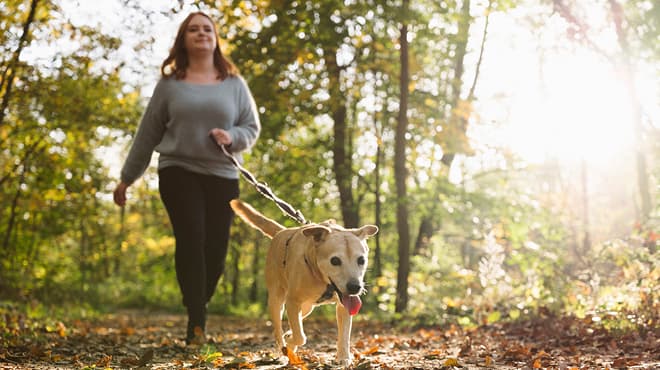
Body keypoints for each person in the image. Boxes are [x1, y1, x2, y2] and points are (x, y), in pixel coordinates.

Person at [113, 11, 260, 345]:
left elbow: (251, 128)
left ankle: (198, 300)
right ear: (183, 39)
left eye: (207, 28)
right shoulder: (170, 84)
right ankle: (197, 319)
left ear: (215, 38)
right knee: (191, 238)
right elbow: (147, 134)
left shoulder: (234, 83)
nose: (201, 33)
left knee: (216, 251)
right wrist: (126, 178)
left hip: (223, 174)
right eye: (193, 29)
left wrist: (231, 136)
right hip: (178, 170)